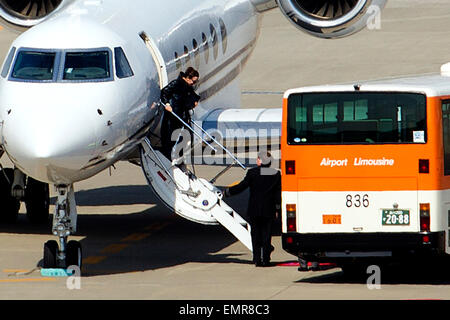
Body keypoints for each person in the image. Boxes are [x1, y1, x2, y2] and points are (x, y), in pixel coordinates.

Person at [224, 151, 281, 267]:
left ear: (260, 161)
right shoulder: (275, 174)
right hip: (268, 209)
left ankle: (256, 259)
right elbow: (277, 194)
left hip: (254, 209)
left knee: (255, 235)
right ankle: (266, 259)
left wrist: (228, 192)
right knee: (266, 235)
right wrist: (277, 209)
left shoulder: (252, 173)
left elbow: (242, 186)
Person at [160, 67, 200, 160]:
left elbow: (192, 96)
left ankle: (179, 157)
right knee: (170, 138)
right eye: (193, 81)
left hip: (182, 115)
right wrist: (167, 104)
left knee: (186, 137)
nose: (193, 84)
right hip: (172, 116)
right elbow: (164, 92)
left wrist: (195, 101)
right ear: (187, 78)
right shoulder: (176, 84)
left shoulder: (188, 87)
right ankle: (168, 157)